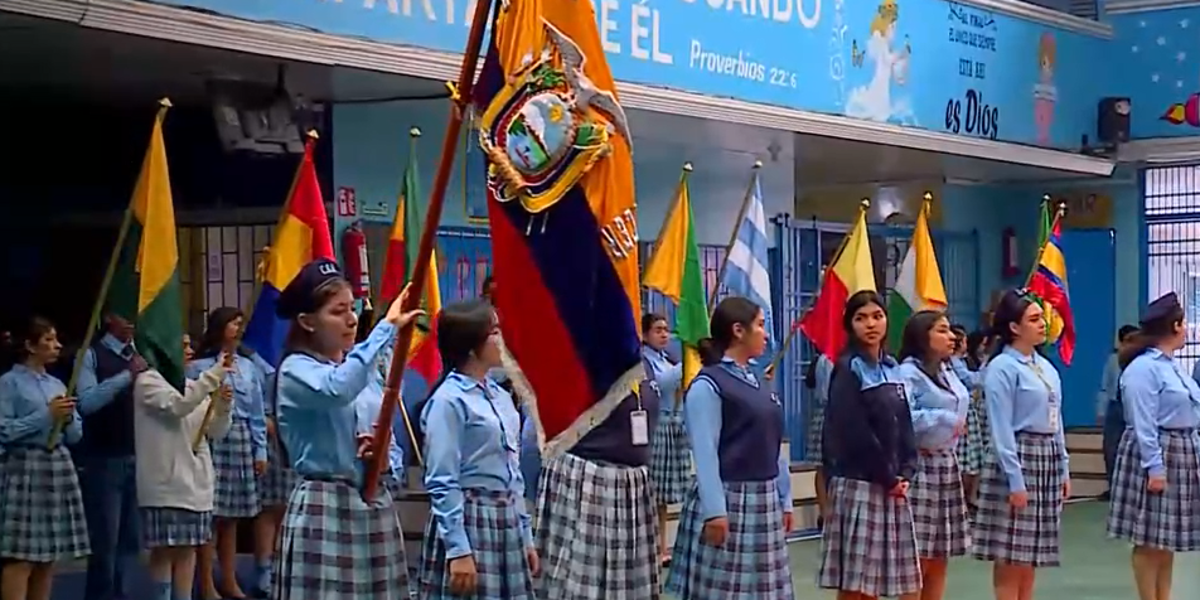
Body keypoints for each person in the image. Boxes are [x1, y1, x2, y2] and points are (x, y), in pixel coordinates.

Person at [272, 259, 421, 600]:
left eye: (352, 308)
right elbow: (337, 388)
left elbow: (383, 435)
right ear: (307, 321)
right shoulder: (296, 371)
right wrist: (385, 329)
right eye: (338, 311)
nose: (352, 319)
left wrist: (379, 456)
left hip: (371, 502)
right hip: (324, 506)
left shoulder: (362, 370)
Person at [665, 297, 794, 599]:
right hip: (731, 499)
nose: (766, 334)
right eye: (760, 325)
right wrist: (715, 512)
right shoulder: (708, 384)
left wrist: (784, 498)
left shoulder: (757, 382)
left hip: (764, 498)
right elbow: (705, 452)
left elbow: (773, 444)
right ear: (738, 330)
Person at [417, 300, 538, 598]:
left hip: (506, 519)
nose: (503, 339)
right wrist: (458, 550)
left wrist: (525, 535)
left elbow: (514, 472)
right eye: (494, 332)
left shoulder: (500, 397)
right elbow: (442, 479)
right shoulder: (448, 401)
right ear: (471, 347)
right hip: (471, 518)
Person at [533, 336, 661, 599]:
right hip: (590, 482)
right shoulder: (580, 357)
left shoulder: (642, 362)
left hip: (631, 485)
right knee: (580, 585)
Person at [818, 290, 920, 600]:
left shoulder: (892, 366)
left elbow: (905, 422)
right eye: (861, 318)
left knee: (889, 582)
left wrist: (907, 470)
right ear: (849, 325)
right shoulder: (847, 368)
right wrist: (887, 477)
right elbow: (854, 431)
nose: (871, 324)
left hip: (893, 485)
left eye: (877, 316)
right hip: (860, 483)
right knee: (857, 584)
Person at [973, 288, 1069, 600]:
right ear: (1014, 327)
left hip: (1046, 456)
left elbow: (1056, 419)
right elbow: (1001, 427)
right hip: (1017, 456)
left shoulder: (1045, 367)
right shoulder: (1002, 367)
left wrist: (1063, 466)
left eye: (1042, 318)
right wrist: (1015, 480)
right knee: (1010, 554)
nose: (1042, 324)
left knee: (1030, 553)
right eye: (1034, 319)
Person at [1107, 292, 1200, 600]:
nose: (1186, 329)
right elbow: (1142, 421)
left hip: (1180, 450)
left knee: (1166, 538)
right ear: (1173, 326)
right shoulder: (1143, 368)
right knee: (1149, 539)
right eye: (1183, 323)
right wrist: (1154, 467)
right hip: (1157, 452)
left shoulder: (1171, 366)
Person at [134, 337, 235, 600]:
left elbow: (215, 431)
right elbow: (178, 405)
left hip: (196, 484)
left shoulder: (193, 386)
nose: (189, 351)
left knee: (188, 550)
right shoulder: (148, 382)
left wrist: (223, 406)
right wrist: (213, 375)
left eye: (190, 345)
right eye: (183, 346)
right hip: (165, 484)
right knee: (164, 551)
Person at [0, 317, 90, 600]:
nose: (57, 345)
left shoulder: (57, 383)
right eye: (49, 340)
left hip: (58, 466)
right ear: (30, 345)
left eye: (56, 339)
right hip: (25, 467)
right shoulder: (9, 382)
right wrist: (46, 416)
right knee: (20, 557)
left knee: (48, 558)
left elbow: (76, 435)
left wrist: (69, 420)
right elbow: (4, 430)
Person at [188, 308, 268, 600]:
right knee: (210, 515)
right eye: (233, 323)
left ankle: (230, 579)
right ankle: (206, 582)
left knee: (231, 518)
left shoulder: (248, 367)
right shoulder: (199, 367)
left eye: (241, 324)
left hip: (241, 438)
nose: (238, 328)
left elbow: (257, 412)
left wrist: (260, 450)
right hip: (212, 439)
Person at [897, 310, 972, 600]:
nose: (951, 337)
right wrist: (942, 417)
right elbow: (903, 418)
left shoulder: (946, 370)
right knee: (919, 556)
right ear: (922, 336)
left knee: (940, 555)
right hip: (920, 465)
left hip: (946, 463)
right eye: (942, 330)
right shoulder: (907, 373)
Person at [77, 312, 149, 600]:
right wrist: (126, 376)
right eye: (124, 314)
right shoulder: (91, 355)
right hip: (104, 458)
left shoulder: (143, 352)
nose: (131, 320)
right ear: (109, 318)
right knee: (105, 539)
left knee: (131, 539)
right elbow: (86, 402)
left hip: (140, 454)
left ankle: (122, 594)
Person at [641, 313, 687, 564]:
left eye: (666, 330)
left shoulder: (667, 358)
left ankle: (661, 547)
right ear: (645, 334)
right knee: (652, 493)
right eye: (658, 330)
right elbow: (659, 385)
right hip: (654, 427)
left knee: (662, 497)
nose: (664, 335)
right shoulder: (643, 360)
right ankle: (651, 548)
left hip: (672, 425)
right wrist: (686, 364)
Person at [1099, 324, 1139, 499]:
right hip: (1115, 406)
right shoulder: (1113, 360)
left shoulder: (1140, 362)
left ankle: (1131, 488)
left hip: (1132, 405)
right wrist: (1101, 410)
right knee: (1110, 448)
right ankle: (1113, 486)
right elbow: (1105, 386)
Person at [953, 329, 990, 508]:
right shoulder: (953, 362)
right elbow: (973, 380)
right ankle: (965, 497)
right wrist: (987, 367)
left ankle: (970, 496)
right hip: (961, 415)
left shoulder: (961, 361)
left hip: (968, 412)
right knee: (964, 458)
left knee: (973, 458)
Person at [805, 352, 834, 524]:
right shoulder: (829, 360)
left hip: (822, 412)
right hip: (832, 412)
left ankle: (824, 512)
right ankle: (825, 512)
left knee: (821, 468)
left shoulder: (821, 359)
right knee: (824, 468)